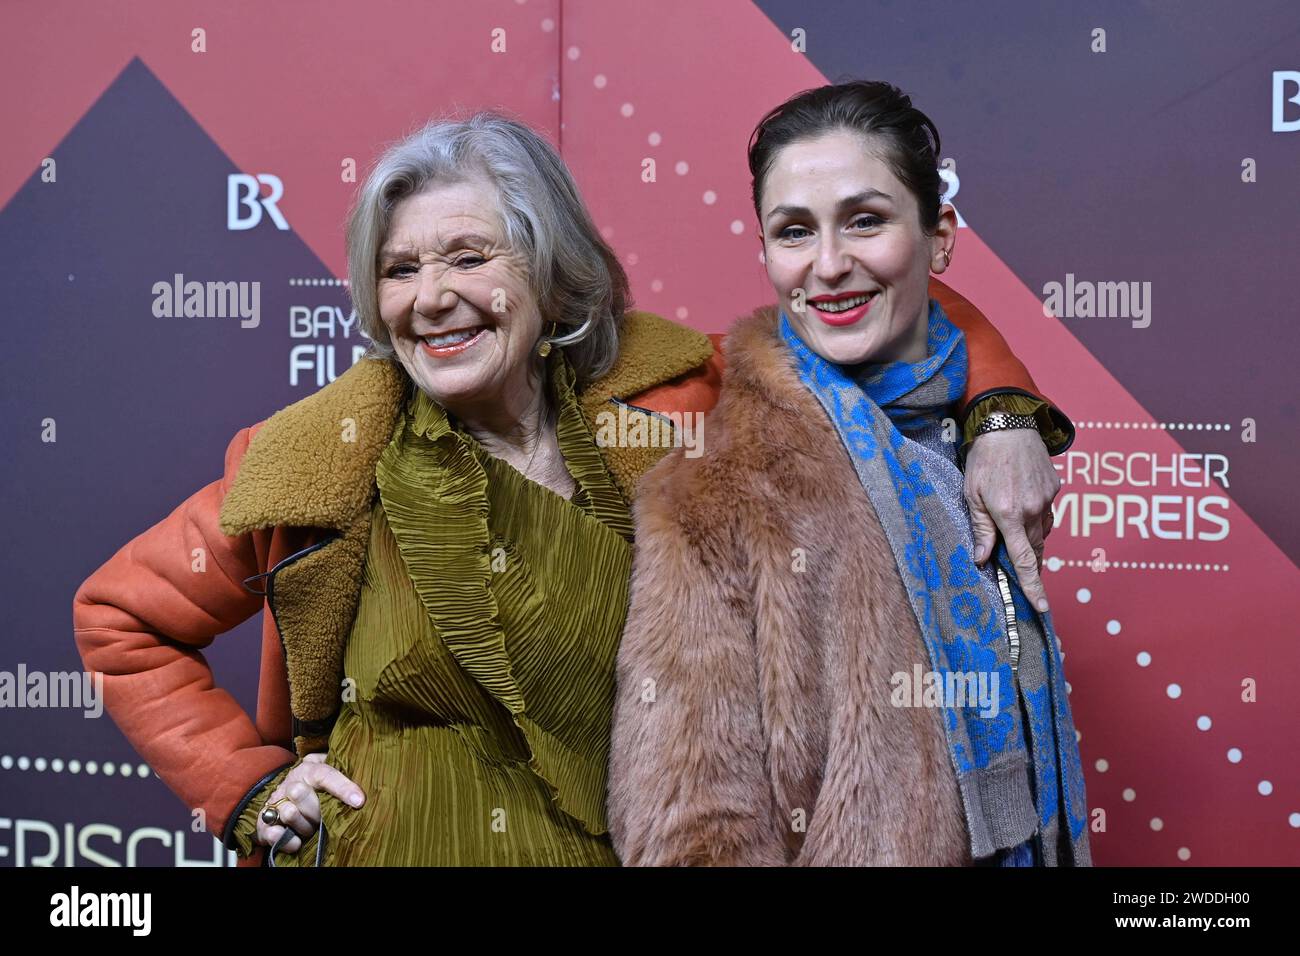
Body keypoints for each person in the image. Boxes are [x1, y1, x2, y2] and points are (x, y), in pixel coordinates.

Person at [73, 109, 1073, 866]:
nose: (432, 297)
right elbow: (120, 617)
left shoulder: (681, 394)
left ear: (552, 274)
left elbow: (873, 305)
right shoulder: (312, 462)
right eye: (400, 269)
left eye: (470, 255)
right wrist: (246, 785)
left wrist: (1002, 416)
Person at [608, 81, 1091, 866]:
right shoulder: (719, 476)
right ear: (764, 253)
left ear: (939, 237)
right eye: (795, 232)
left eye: (865, 220)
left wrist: (1006, 413)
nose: (829, 265)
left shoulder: (976, 428)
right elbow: (693, 818)